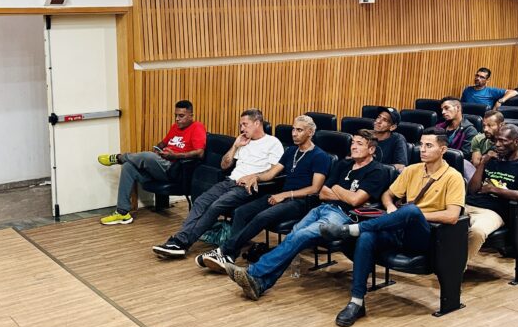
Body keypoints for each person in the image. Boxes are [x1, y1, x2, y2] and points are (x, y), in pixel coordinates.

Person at [320, 128, 465, 327]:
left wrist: (409, 215)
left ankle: (354, 229)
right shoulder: (413, 170)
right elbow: (387, 194)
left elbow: (452, 216)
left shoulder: (453, 177)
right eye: (421, 144)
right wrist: (389, 206)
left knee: (412, 211)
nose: (422, 149)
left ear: (443, 149)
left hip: (428, 236)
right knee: (367, 238)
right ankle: (357, 302)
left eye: (428, 146)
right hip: (398, 230)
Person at [226, 130, 391, 300]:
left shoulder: (377, 171)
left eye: (360, 144)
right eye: (353, 142)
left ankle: (254, 272)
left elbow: (356, 200)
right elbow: (323, 193)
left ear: (371, 150)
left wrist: (337, 189)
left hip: (343, 217)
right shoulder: (343, 164)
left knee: (301, 235)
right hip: (322, 208)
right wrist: (343, 193)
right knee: (294, 236)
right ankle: (260, 284)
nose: (354, 146)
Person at [196, 115, 330, 271]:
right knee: (241, 212)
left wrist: (286, 195)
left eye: (299, 130)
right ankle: (229, 256)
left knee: (262, 216)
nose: (294, 133)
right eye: (293, 129)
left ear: (311, 132)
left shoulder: (321, 156)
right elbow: (271, 174)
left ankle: (225, 251)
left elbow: (315, 189)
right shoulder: (291, 151)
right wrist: (256, 177)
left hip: (301, 202)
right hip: (282, 197)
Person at [152, 109, 283, 258]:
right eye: (240, 125)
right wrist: (235, 146)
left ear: (257, 123)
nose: (241, 129)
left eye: (245, 124)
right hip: (229, 181)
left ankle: (182, 243)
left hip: (247, 187)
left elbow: (274, 172)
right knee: (201, 201)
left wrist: (255, 177)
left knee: (216, 206)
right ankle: (179, 240)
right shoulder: (243, 141)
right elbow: (224, 165)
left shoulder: (273, 143)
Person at [97, 100, 206, 225]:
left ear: (191, 116)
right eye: (176, 115)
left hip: (175, 169)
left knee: (147, 156)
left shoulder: (197, 127)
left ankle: (119, 158)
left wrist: (175, 155)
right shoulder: (175, 127)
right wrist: (157, 147)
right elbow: (163, 143)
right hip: (161, 165)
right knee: (128, 167)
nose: (177, 119)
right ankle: (122, 213)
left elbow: (200, 152)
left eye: (181, 116)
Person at [465, 124, 518, 262]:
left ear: (517, 142)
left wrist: (492, 189)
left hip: (494, 212)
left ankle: (455, 271)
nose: (498, 145)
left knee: (477, 232)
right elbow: (473, 190)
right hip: (469, 204)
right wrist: (482, 163)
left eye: (503, 141)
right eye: (497, 140)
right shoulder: (491, 161)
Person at [373, 107, 407, 172]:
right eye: (379, 117)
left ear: (392, 127)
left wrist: (375, 168)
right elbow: (349, 158)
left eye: (385, 120)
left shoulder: (398, 139)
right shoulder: (367, 135)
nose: (378, 121)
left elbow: (401, 166)